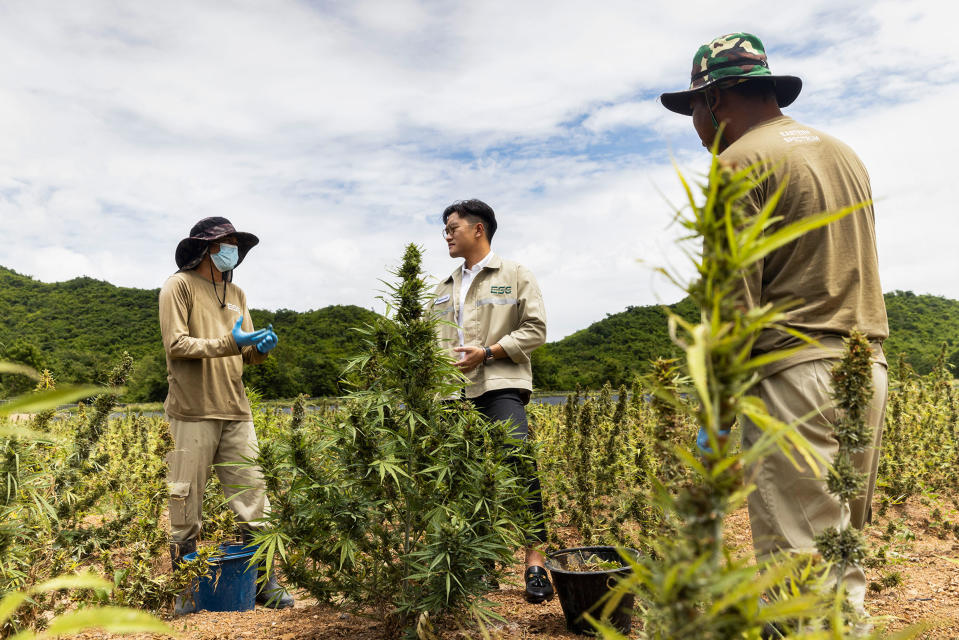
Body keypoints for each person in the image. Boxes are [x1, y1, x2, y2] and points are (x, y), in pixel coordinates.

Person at [660, 33, 889, 614]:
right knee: (838, 552)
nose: (694, 124)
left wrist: (716, 417)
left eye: (692, 109)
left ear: (718, 99)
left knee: (800, 568)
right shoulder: (841, 153)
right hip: (865, 370)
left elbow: (734, 302)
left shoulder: (738, 161)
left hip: (793, 378)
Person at [160, 216, 293, 609]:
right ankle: (184, 589)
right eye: (226, 242)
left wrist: (261, 347)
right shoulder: (178, 286)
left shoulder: (237, 292)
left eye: (236, 242)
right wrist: (228, 341)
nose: (233, 248)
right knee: (184, 503)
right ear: (206, 247)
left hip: (236, 408)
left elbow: (245, 352)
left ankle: (264, 584)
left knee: (254, 497)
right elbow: (177, 345)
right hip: (191, 411)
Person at [428, 199, 552, 603]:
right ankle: (480, 566)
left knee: (518, 462)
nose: (446, 234)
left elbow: (535, 329)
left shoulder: (514, 274)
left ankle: (536, 563)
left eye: (452, 227)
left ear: (478, 229)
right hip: (451, 393)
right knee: (461, 474)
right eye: (445, 229)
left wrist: (489, 351)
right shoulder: (443, 288)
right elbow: (433, 344)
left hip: (500, 382)